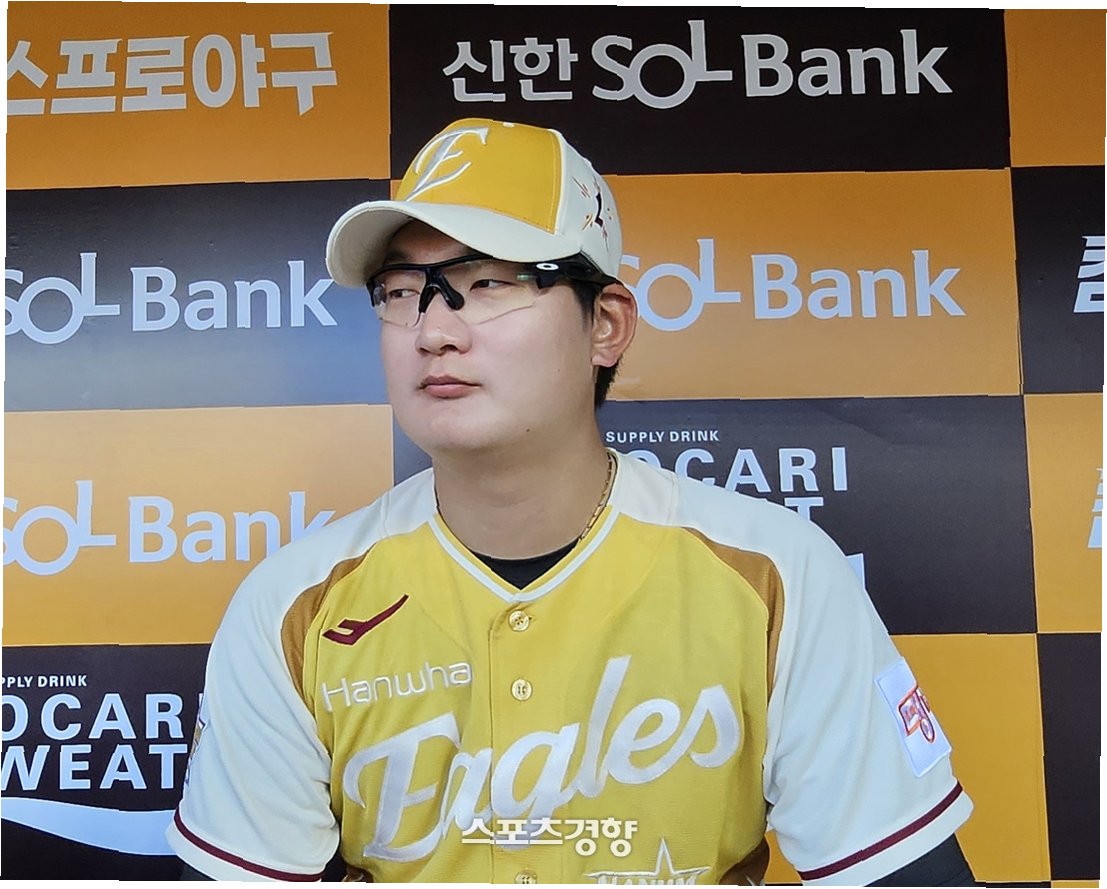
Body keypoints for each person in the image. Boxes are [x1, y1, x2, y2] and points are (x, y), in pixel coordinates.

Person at [168, 118, 976, 885]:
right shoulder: (295, 604)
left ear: (605, 325)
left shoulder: (774, 573)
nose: (432, 330)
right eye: (403, 290)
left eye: (487, 282)